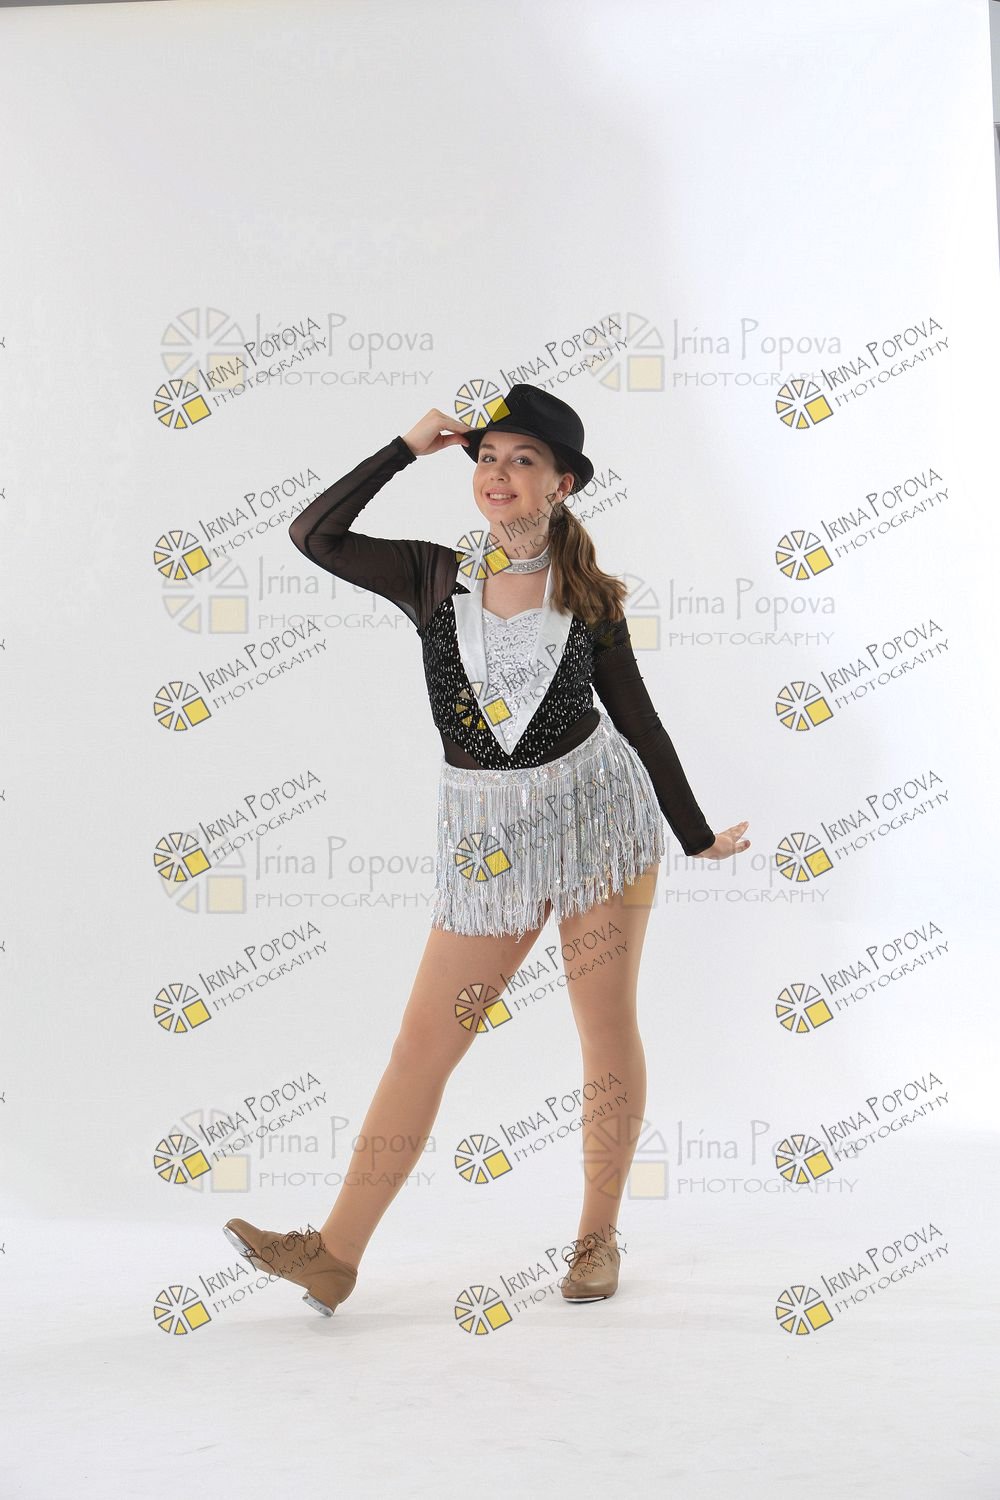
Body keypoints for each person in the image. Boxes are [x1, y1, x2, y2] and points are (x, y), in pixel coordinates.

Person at [224, 384, 750, 1317]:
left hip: (597, 826)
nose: (498, 474)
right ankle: (334, 1256)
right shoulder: (432, 576)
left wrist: (695, 833)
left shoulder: (590, 599)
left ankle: (596, 1239)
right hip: (487, 842)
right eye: (488, 458)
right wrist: (405, 447)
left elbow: (640, 721)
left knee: (603, 1028)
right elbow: (315, 536)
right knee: (423, 1045)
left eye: (522, 460)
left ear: (562, 484)